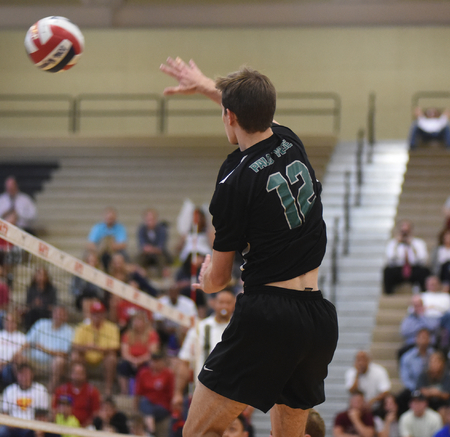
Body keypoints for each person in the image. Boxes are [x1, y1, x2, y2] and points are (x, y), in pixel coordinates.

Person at [160, 58, 338, 437]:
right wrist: (206, 84)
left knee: (197, 433)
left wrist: (206, 277)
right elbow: (249, 109)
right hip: (318, 319)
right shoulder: (289, 139)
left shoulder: (233, 183)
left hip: (268, 318)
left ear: (227, 116)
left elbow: (219, 280)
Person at [174, 290, 236, 412]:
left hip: (231, 394)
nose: (224, 306)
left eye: (228, 303)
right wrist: (178, 393)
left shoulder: (239, 329)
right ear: (213, 303)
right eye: (221, 302)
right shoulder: (199, 329)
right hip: (204, 392)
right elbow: (184, 362)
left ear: (234, 304)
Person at [18, 305, 74, 391]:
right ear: (52, 314)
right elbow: (28, 341)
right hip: (33, 358)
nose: (58, 316)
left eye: (61, 314)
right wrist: (18, 352)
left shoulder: (69, 331)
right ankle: (21, 388)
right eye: (56, 313)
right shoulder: (41, 323)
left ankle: (49, 391)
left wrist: (44, 349)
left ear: (65, 317)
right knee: (18, 358)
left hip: (52, 361)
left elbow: (64, 353)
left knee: (60, 361)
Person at [71, 300, 119, 396]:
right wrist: (87, 347)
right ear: (91, 315)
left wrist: (98, 349)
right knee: (75, 356)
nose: (97, 317)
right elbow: (75, 346)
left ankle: (108, 389)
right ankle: (79, 387)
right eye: (95, 314)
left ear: (104, 314)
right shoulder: (82, 327)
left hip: (103, 358)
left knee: (112, 358)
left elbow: (115, 348)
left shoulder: (112, 328)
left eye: (100, 314)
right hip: (86, 358)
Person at [0, 363, 49, 437]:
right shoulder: (9, 390)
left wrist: (39, 429)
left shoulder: (41, 390)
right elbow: (4, 413)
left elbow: (43, 416)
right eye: (21, 374)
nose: (24, 377)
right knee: (1, 432)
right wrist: (10, 424)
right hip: (13, 426)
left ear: (32, 375)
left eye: (27, 374)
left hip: (32, 426)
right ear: (17, 375)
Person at [0, 311, 27, 393]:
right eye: (7, 321)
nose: (9, 323)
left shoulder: (22, 337)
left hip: (12, 364)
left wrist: (6, 363)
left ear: (16, 323)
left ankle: (8, 393)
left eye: (12, 321)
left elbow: (20, 356)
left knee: (7, 372)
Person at [117, 310, 159, 394]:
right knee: (122, 365)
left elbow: (152, 353)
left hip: (145, 361)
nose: (137, 323)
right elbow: (124, 353)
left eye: (139, 320)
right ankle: (124, 392)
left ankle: (144, 393)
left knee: (149, 366)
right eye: (135, 320)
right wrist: (133, 361)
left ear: (145, 322)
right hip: (131, 361)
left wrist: (140, 360)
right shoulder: (127, 335)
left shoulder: (152, 334)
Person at [383, 220, 430, 294]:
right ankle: (388, 294)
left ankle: (425, 293)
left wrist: (412, 245)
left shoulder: (418, 243)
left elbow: (423, 259)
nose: (405, 233)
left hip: (414, 268)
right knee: (387, 271)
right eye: (403, 231)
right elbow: (390, 259)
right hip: (398, 268)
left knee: (424, 271)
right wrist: (396, 245)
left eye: (407, 231)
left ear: (411, 231)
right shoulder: (392, 243)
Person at [135, 352, 175, 437]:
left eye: (157, 361)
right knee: (145, 403)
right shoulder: (144, 373)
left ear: (162, 362)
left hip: (162, 405)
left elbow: (172, 393)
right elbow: (138, 393)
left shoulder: (168, 374)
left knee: (150, 410)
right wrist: (135, 408)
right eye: (153, 361)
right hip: (147, 402)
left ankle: (150, 431)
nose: (155, 364)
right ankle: (151, 430)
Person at [53, 362, 100, 428]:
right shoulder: (62, 390)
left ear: (85, 375)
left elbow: (95, 414)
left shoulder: (92, 392)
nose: (78, 376)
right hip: (63, 425)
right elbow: (54, 410)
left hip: (85, 427)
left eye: (81, 374)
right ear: (71, 374)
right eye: (76, 373)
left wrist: (82, 427)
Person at [86, 206, 128, 271]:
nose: (110, 220)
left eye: (111, 218)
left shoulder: (120, 228)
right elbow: (90, 243)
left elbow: (123, 244)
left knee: (121, 256)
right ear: (104, 217)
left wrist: (109, 246)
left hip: (114, 251)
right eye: (108, 218)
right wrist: (100, 249)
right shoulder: (98, 227)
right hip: (99, 251)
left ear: (115, 218)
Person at [137, 208, 171, 277]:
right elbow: (142, 245)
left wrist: (151, 249)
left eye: (152, 219)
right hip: (147, 255)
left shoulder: (162, 230)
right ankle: (141, 277)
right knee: (138, 258)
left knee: (161, 259)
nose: (150, 222)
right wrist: (151, 249)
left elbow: (161, 247)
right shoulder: (141, 229)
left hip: (158, 255)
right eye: (148, 220)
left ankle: (161, 277)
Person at [22, 267, 56, 331]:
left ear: (46, 277)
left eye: (43, 275)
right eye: (39, 274)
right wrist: (34, 304)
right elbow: (27, 306)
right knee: (30, 314)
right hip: (34, 312)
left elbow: (54, 306)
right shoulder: (31, 289)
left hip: (46, 313)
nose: (40, 277)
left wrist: (43, 304)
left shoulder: (52, 290)